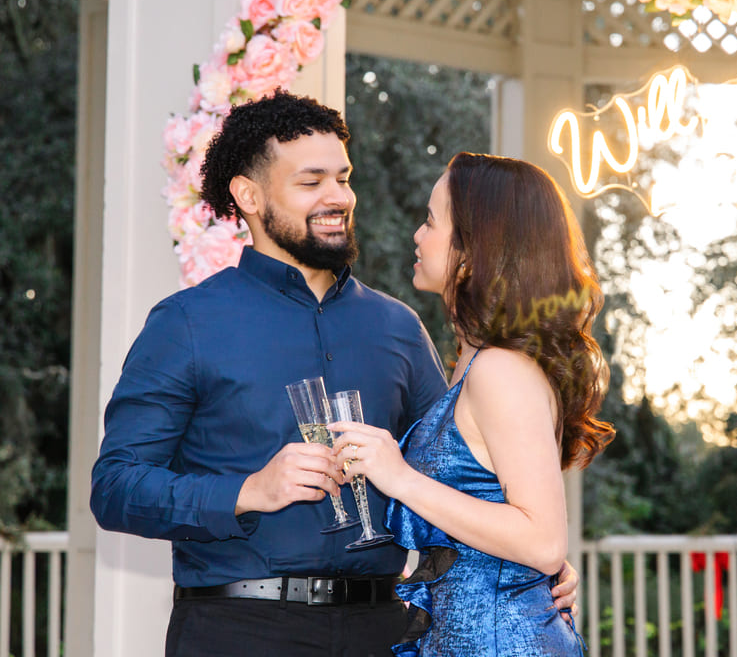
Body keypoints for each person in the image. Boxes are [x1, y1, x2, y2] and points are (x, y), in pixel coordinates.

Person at [90, 91, 576, 657]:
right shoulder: (186, 323)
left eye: (343, 178)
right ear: (248, 196)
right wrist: (249, 491)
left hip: (386, 632)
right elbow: (116, 487)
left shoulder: (398, 326)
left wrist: (533, 561)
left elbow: (460, 470)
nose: (338, 197)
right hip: (238, 631)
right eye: (311, 181)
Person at [328, 152, 615, 656]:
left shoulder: (501, 369)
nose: (418, 235)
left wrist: (399, 478)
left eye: (431, 221)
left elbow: (543, 541)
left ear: (476, 248)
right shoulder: (477, 361)